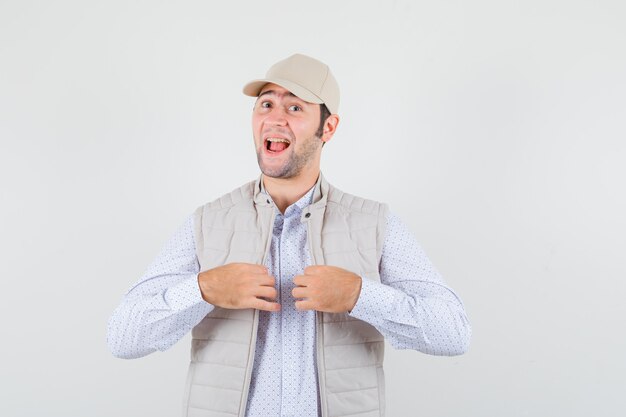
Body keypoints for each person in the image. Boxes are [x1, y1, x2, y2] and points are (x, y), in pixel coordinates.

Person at [107, 53, 471, 417]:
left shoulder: (375, 224)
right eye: (266, 104)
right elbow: (123, 337)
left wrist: (361, 295)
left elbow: (453, 332)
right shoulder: (207, 222)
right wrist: (202, 289)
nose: (275, 118)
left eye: (295, 108)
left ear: (327, 128)